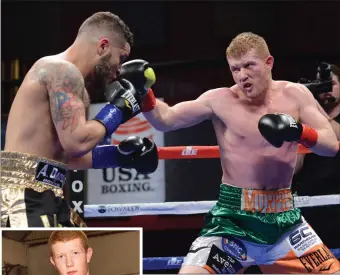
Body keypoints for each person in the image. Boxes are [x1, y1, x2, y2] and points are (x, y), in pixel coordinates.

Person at [118, 33, 340, 273]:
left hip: (284, 222)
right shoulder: (220, 100)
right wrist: (144, 93)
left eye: (248, 66)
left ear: (269, 63)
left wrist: (298, 131)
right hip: (232, 222)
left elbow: (330, 145)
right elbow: (166, 119)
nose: (242, 75)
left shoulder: (295, 95)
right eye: (235, 69)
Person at [1, 12, 158, 228]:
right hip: (22, 194)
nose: (119, 70)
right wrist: (118, 110)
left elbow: (65, 155)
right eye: (120, 58)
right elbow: (77, 142)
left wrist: (121, 157)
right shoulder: (62, 71)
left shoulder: (76, 87)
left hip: (45, 192)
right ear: (103, 46)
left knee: (83, 256)